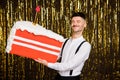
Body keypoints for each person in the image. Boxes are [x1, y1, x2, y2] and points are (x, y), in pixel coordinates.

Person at [35, 12, 91, 80]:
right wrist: (39, 54)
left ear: (84, 24)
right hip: (58, 77)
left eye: (78, 21)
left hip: (71, 78)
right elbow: (56, 56)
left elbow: (69, 65)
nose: (75, 23)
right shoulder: (65, 41)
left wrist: (48, 64)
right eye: (73, 21)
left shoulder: (86, 46)